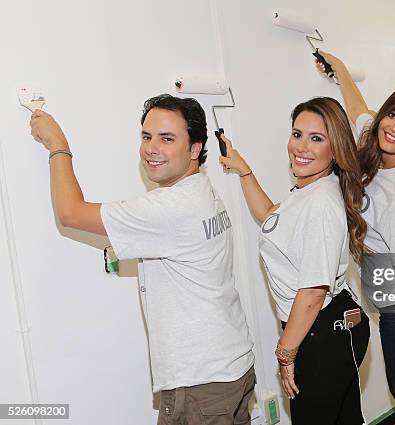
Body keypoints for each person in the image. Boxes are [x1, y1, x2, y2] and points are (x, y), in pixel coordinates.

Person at [29, 94, 256, 425]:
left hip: (201, 383)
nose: (152, 148)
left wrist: (57, 145)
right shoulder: (201, 190)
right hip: (232, 366)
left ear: (194, 149)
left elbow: (71, 213)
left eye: (167, 139)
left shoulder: (173, 208)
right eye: (147, 137)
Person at [218, 96, 370, 425]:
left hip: (320, 330)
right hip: (327, 325)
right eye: (297, 134)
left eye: (316, 138)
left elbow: (314, 291)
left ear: (336, 148)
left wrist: (285, 353)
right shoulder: (309, 190)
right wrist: (244, 170)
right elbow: (272, 217)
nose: (301, 147)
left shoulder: (320, 203)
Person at [315, 51, 395, 425]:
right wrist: (337, 66)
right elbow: (357, 106)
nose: (394, 128)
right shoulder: (375, 139)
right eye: (392, 115)